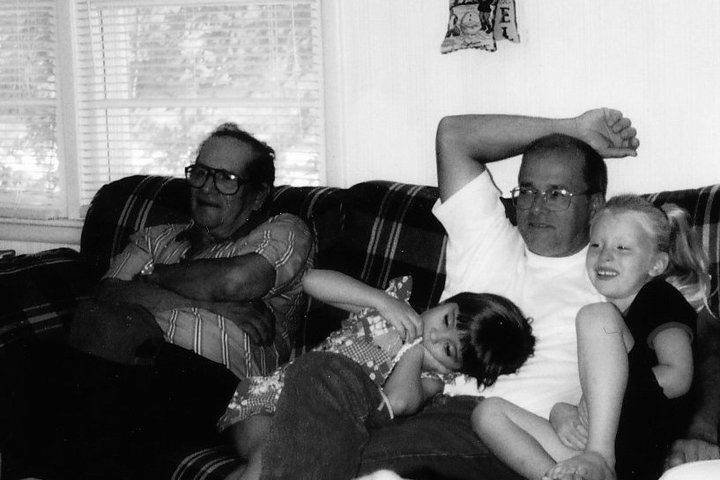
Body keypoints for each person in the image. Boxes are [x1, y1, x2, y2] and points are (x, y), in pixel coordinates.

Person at [253, 108, 718, 480]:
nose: (535, 206)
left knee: (343, 459)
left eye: (558, 193)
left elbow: (697, 342)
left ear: (594, 204)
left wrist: (699, 431)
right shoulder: (488, 236)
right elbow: (453, 134)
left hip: (509, 434)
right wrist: (570, 128)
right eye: (528, 189)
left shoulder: (612, 271)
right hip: (419, 403)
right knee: (309, 403)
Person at [47, 123, 314, 479]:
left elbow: (236, 281)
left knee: (76, 391)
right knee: (30, 362)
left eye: (226, 178)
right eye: (201, 173)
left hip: (217, 384)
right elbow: (108, 293)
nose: (207, 187)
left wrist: (153, 278)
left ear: (258, 194)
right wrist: (210, 306)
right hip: (129, 357)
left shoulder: (284, 230)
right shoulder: (157, 238)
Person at [474, 194, 709, 480]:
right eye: (596, 245)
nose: (605, 255)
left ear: (656, 265)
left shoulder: (658, 297)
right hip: (612, 455)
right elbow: (604, 392)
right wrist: (563, 412)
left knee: (594, 316)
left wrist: (592, 401)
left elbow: (678, 377)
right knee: (488, 413)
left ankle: (599, 457)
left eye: (622, 247)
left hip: (640, 452)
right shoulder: (616, 319)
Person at [220, 269, 535, 479]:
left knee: (275, 460)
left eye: (449, 350)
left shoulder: (431, 381)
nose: (437, 336)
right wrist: (380, 300)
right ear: (445, 303)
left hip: (323, 427)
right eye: (448, 319)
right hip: (270, 398)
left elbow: (397, 401)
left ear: (453, 369)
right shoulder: (392, 309)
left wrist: (413, 350)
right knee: (273, 450)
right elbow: (312, 281)